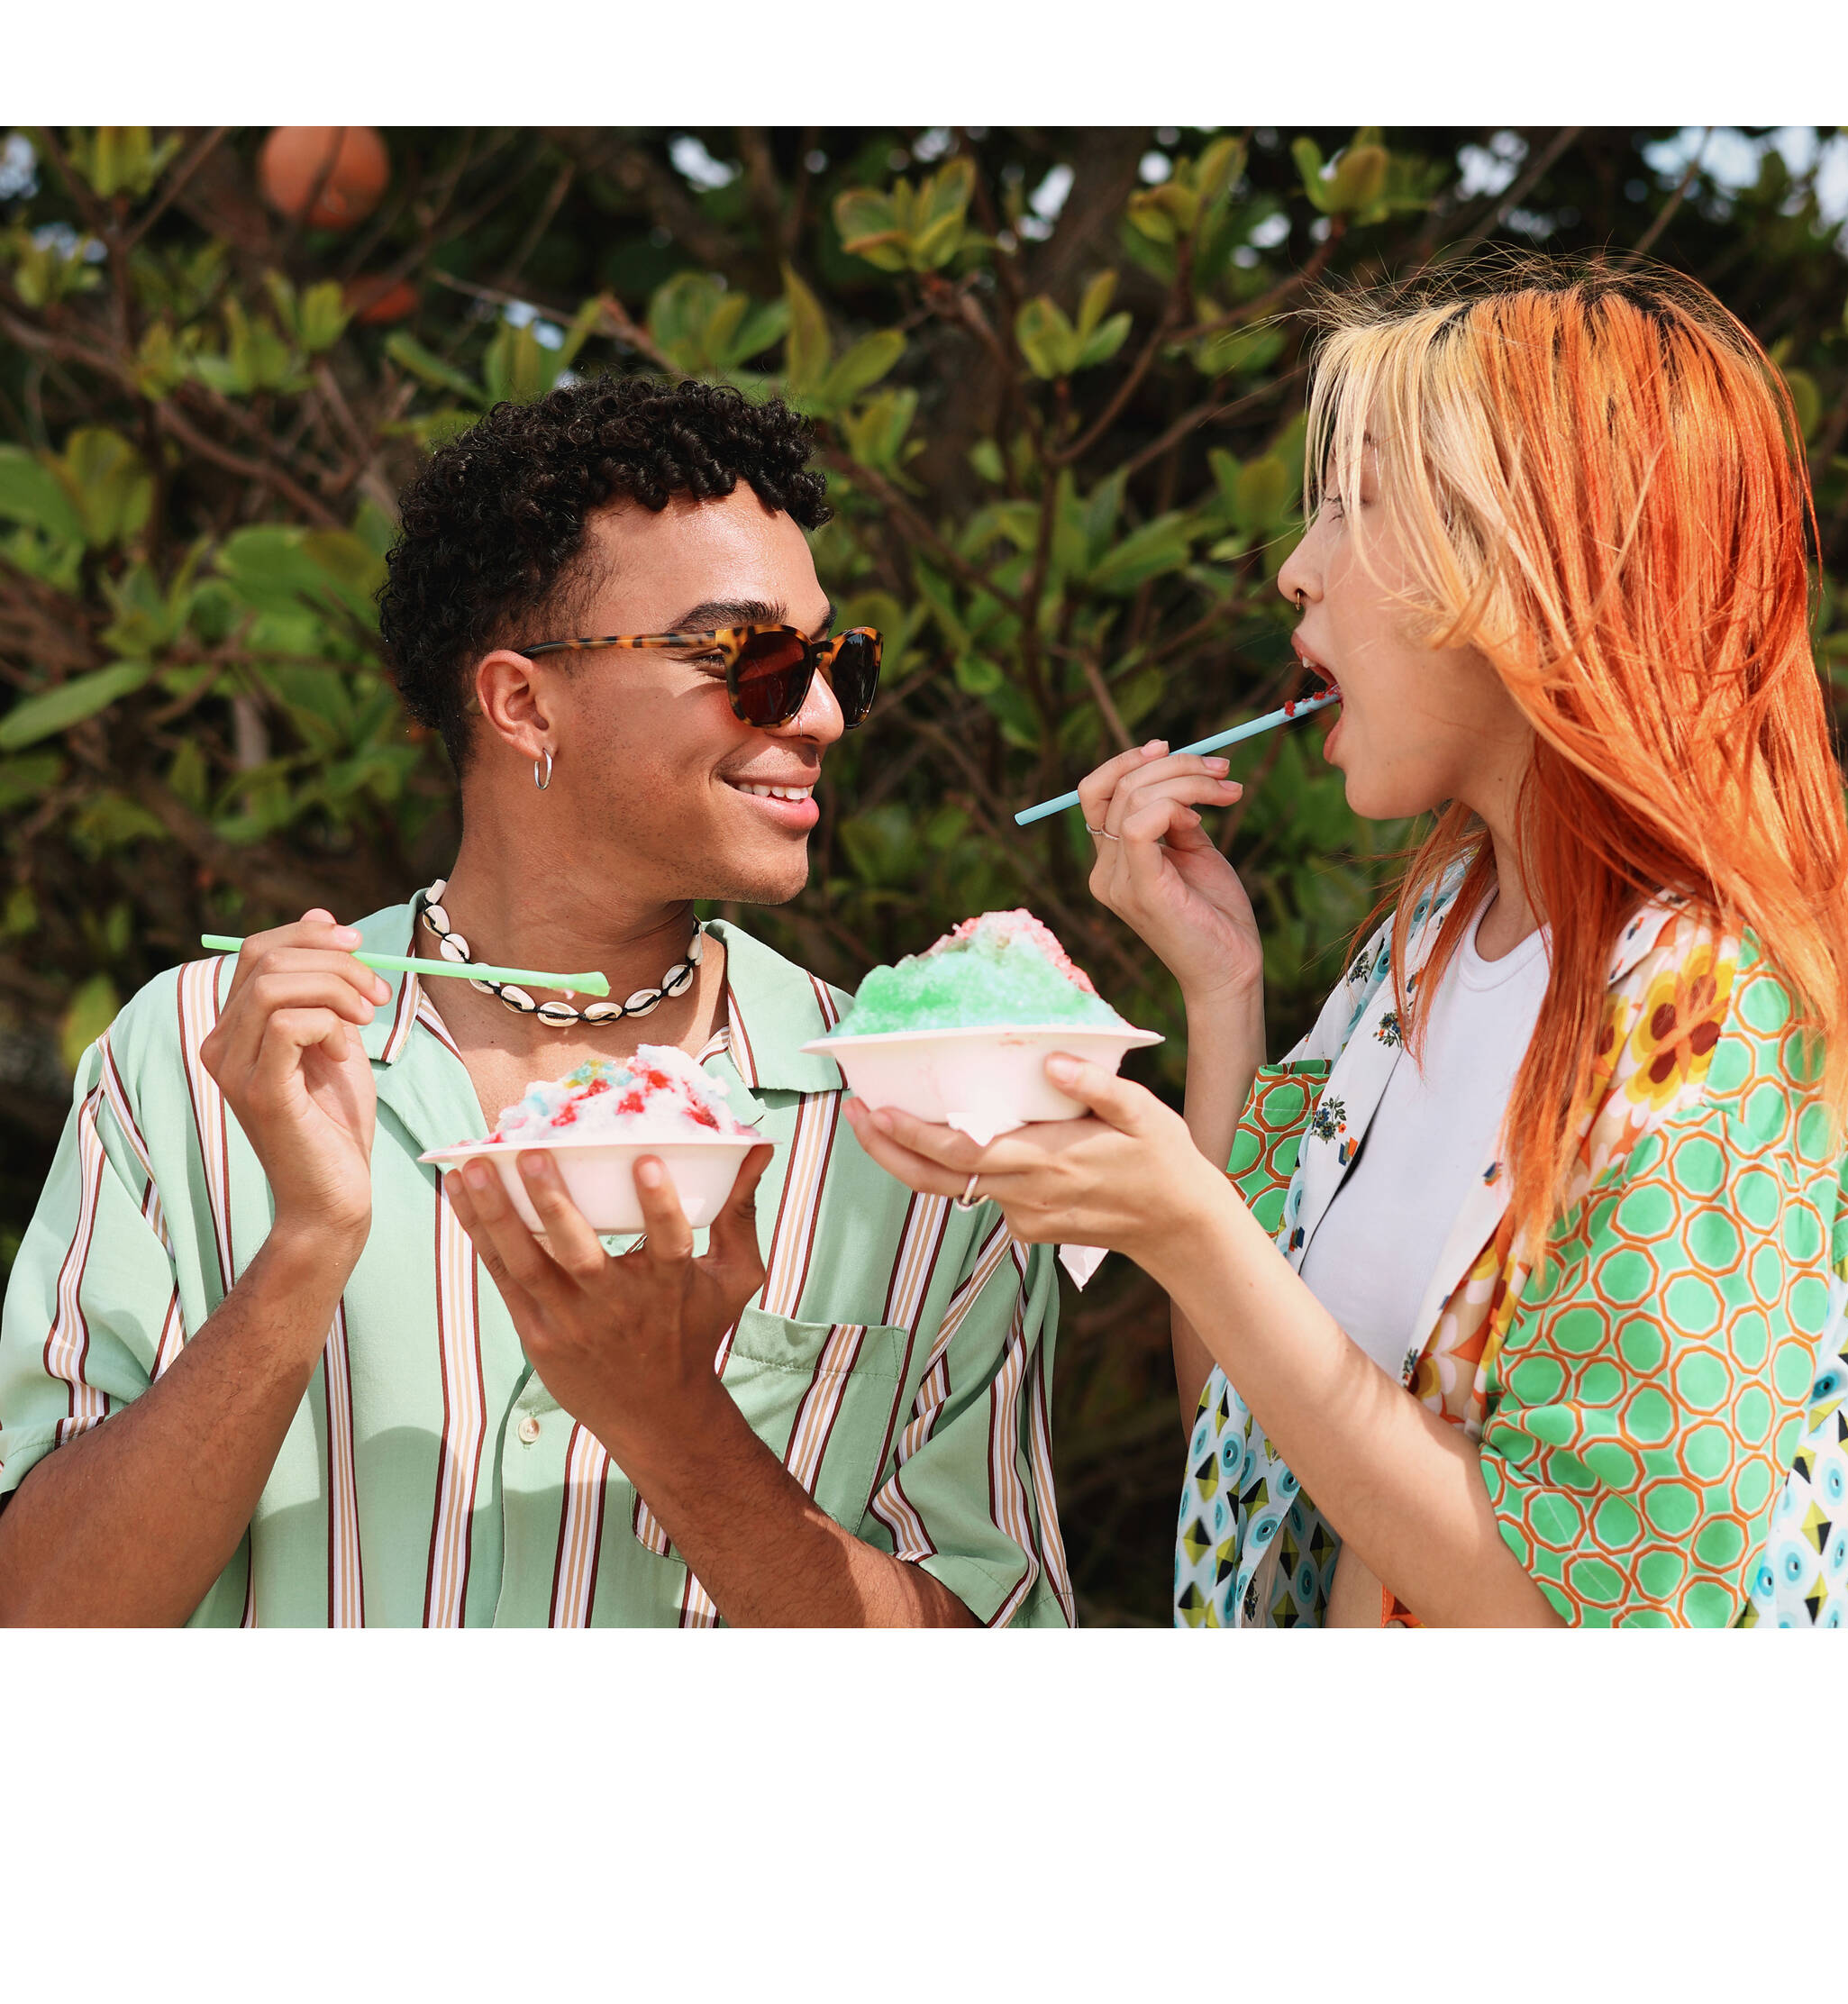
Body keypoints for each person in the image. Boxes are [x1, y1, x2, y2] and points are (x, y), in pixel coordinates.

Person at [849, 262, 1848, 1627]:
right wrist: (1223, 992)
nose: (1295, 568)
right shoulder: (1419, 954)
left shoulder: (1725, 1017)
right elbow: (1244, 1445)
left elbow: (1576, 1620)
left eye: (1356, 503)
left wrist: (1193, 1230)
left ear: (1538, 569)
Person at [0, 378, 1073, 1627]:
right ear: (522, 702)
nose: (823, 712)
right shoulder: (199, 1055)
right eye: (753, 658)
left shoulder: (923, 1112)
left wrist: (678, 1428)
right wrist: (301, 1255)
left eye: (836, 659)